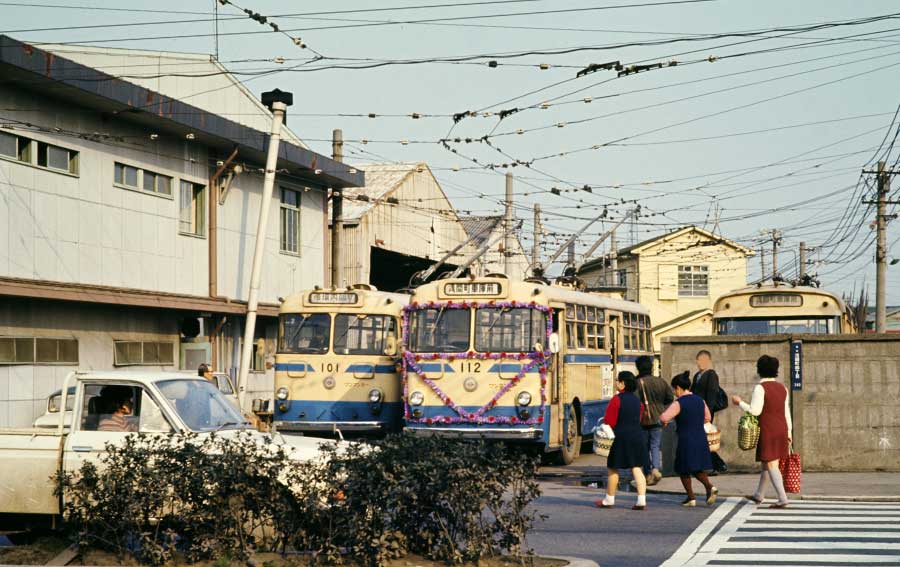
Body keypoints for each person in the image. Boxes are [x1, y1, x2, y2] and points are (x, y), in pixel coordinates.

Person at [732, 355, 792, 509]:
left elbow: (755, 411)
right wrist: (790, 433)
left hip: (768, 429)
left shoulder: (760, 388)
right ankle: (759, 495)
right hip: (782, 429)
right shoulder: (783, 388)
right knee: (768, 463)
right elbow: (787, 412)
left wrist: (740, 402)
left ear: (759, 370)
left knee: (771, 464)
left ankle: (782, 498)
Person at [659, 371, 718, 507]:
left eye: (674, 389)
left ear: (678, 387)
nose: (674, 392)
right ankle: (693, 495)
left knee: (683, 467)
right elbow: (708, 418)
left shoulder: (679, 403)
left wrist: (668, 421)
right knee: (695, 466)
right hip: (700, 437)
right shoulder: (700, 400)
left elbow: (663, 418)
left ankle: (704, 490)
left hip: (686, 438)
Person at [596, 371, 648, 511]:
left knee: (613, 468)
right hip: (637, 436)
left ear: (623, 383)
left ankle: (609, 499)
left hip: (620, 437)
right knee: (637, 468)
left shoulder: (616, 399)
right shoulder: (638, 401)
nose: (616, 382)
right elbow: (639, 418)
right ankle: (641, 500)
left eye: (617, 380)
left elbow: (610, 421)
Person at [636, 355, 674, 486]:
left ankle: (647, 473)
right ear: (651, 367)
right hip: (658, 417)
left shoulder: (638, 383)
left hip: (643, 419)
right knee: (655, 446)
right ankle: (656, 469)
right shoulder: (661, 381)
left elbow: (635, 402)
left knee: (644, 448)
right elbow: (670, 397)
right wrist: (661, 408)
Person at [692, 350, 727, 474]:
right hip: (697, 412)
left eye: (704, 360)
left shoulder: (711, 374)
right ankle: (717, 465)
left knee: (705, 440)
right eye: (699, 360)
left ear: (709, 361)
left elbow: (711, 395)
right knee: (704, 440)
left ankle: (716, 465)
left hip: (706, 413)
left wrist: (708, 414)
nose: (701, 363)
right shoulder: (697, 376)